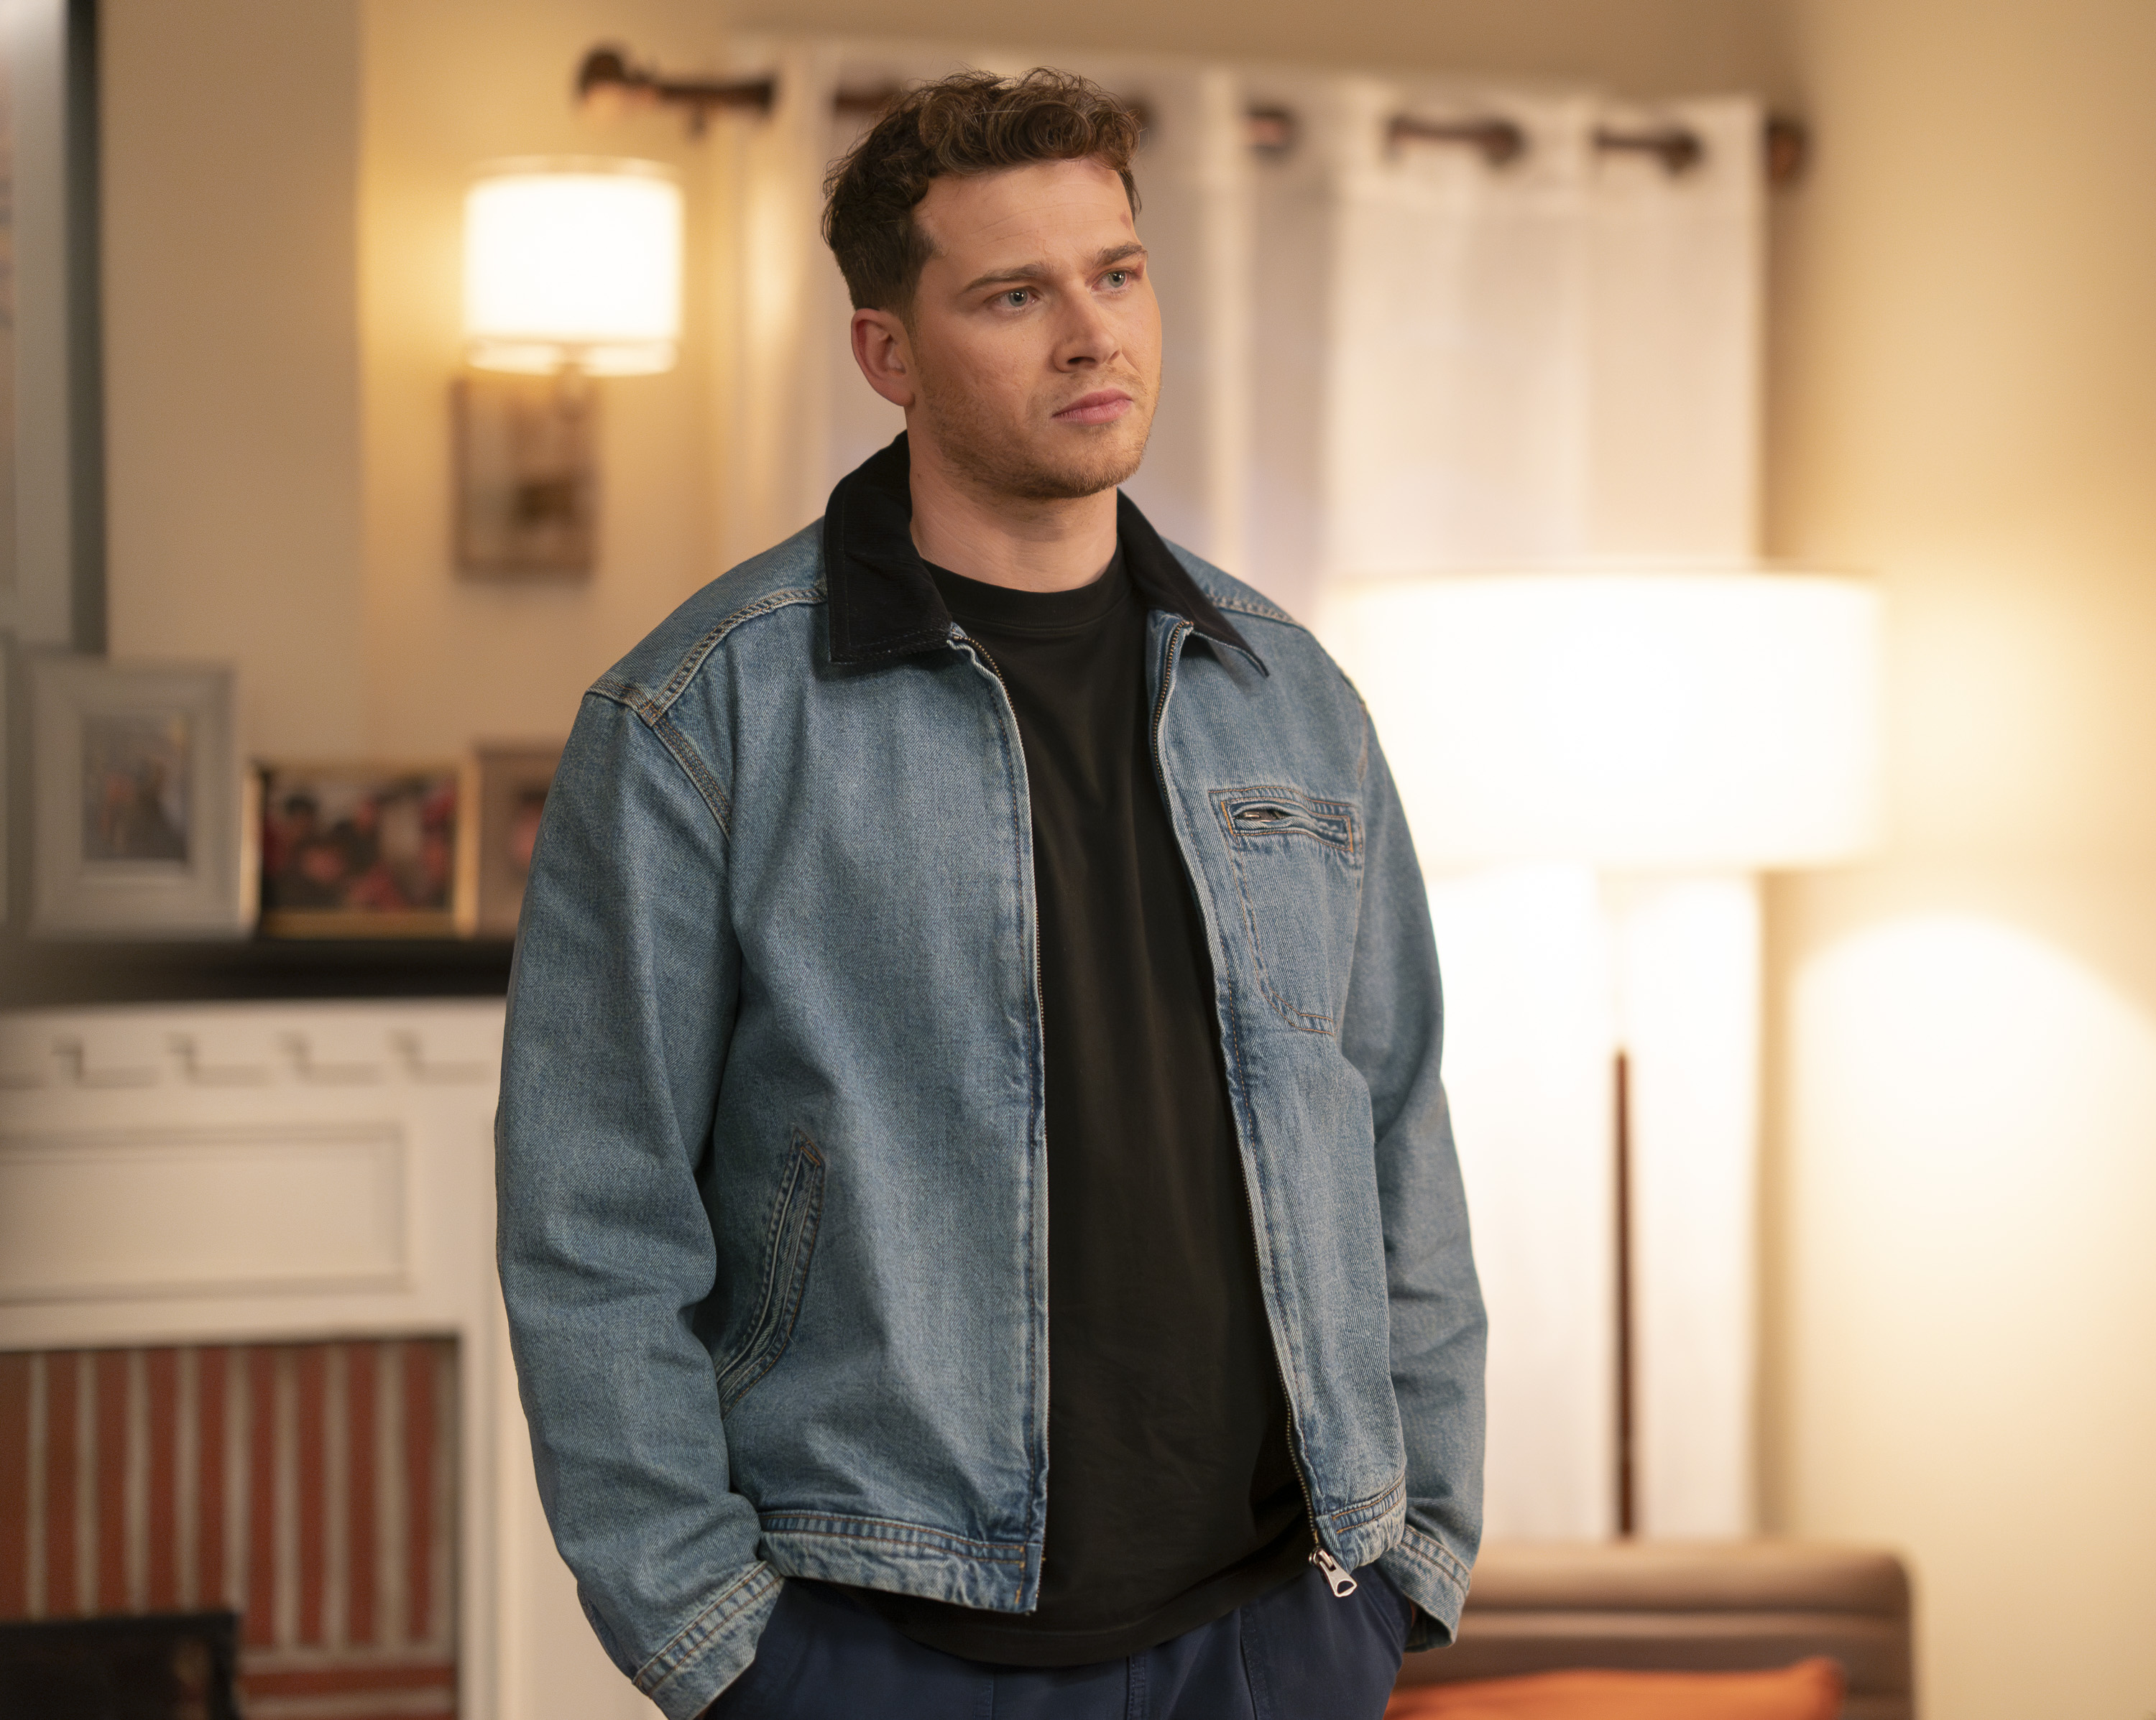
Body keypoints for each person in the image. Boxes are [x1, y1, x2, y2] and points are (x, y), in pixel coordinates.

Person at [496, 68, 1485, 1720]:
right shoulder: (698, 720)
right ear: (887, 352)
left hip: (1278, 1637)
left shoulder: (1291, 695)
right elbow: (591, 1221)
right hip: (886, 1648)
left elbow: (1394, 1132)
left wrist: (1410, 1561)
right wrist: (725, 1649)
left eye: (1118, 273)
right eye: (1015, 296)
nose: (1092, 336)